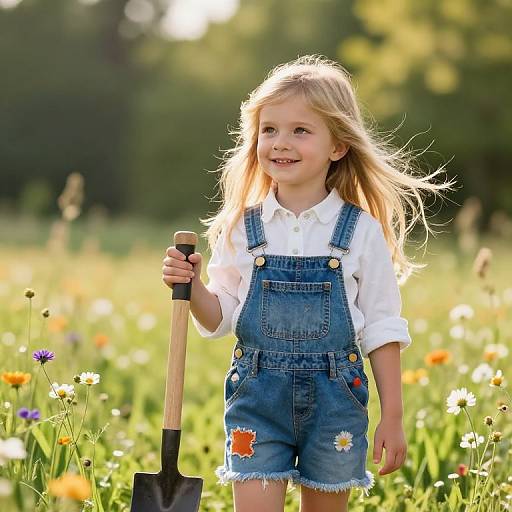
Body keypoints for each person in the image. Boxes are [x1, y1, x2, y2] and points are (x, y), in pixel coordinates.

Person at [162, 55, 455, 512]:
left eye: (301, 130)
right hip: (258, 400)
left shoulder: (359, 229)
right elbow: (219, 317)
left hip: (336, 403)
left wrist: (392, 416)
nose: (281, 142)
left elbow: (381, 327)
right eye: (269, 129)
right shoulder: (243, 226)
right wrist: (192, 285)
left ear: (338, 145)